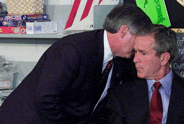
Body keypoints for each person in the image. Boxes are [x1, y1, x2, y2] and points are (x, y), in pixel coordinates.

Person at [0, 4, 152, 124]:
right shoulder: (74, 50)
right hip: (28, 119)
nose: (139, 47)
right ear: (123, 31)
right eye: (139, 38)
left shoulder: (122, 58)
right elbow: (46, 99)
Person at [104, 24, 184, 124]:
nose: (135, 59)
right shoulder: (120, 96)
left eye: (143, 53)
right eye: (135, 52)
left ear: (164, 58)